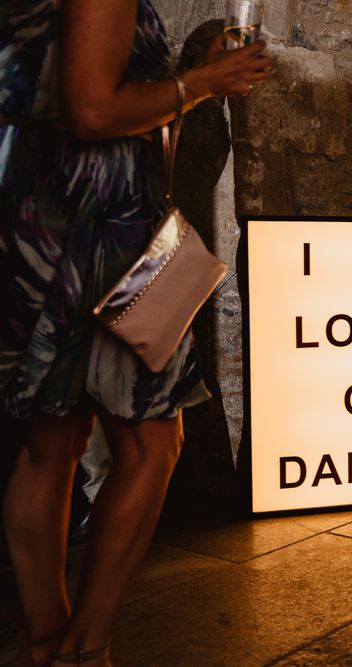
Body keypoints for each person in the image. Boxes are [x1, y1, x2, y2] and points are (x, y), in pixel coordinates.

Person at [0, 1, 273, 665]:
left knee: (51, 439)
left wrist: (187, 92)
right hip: (104, 234)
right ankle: (84, 648)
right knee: (151, 441)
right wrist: (205, 84)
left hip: (41, 216)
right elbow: (94, 111)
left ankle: (44, 641)